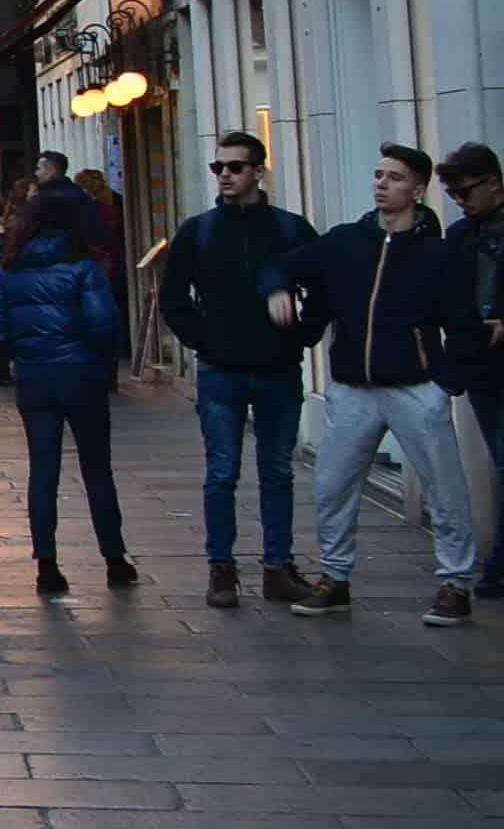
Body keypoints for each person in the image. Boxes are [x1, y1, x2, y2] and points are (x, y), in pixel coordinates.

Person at [267, 144, 481, 623]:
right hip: (352, 388)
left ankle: (455, 584)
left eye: (395, 177)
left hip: (414, 387)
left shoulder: (438, 255)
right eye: (379, 175)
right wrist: (277, 289)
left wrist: (446, 380)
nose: (382, 184)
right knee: (333, 485)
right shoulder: (345, 242)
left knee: (443, 487)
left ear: (418, 190)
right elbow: (283, 265)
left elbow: (462, 323)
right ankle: (335, 578)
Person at [158, 133, 318, 608]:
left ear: (258, 172)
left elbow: (323, 287)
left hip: (277, 367)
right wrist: (205, 339)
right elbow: (173, 296)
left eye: (235, 167)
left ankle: (277, 567)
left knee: (277, 472)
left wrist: (300, 333)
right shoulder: (200, 231)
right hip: (221, 369)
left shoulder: (290, 230)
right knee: (221, 471)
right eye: (218, 168)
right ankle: (222, 570)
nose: (225, 175)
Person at [0, 181, 132, 598]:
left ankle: (47, 564)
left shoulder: (10, 270)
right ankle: (114, 559)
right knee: (97, 468)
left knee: (43, 470)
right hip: (81, 373)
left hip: (35, 376)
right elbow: (103, 324)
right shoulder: (84, 266)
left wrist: (21, 353)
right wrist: (98, 359)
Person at [443, 143, 504, 601]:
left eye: (465, 192)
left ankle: (498, 565)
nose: (460, 201)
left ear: (493, 184)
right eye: (452, 194)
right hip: (482, 361)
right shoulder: (461, 236)